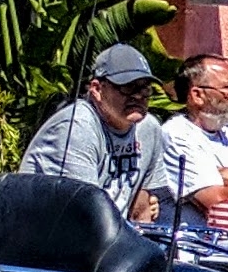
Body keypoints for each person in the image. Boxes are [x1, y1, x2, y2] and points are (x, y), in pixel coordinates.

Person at [19, 43, 170, 223]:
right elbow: (84, 214)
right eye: (128, 87)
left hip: (109, 239)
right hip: (50, 240)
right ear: (97, 89)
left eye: (145, 89)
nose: (138, 96)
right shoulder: (76, 127)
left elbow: (141, 209)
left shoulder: (149, 128)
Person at [161, 53, 228, 227]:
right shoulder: (177, 134)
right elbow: (218, 202)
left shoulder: (224, 132)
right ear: (198, 95)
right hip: (202, 250)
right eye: (226, 87)